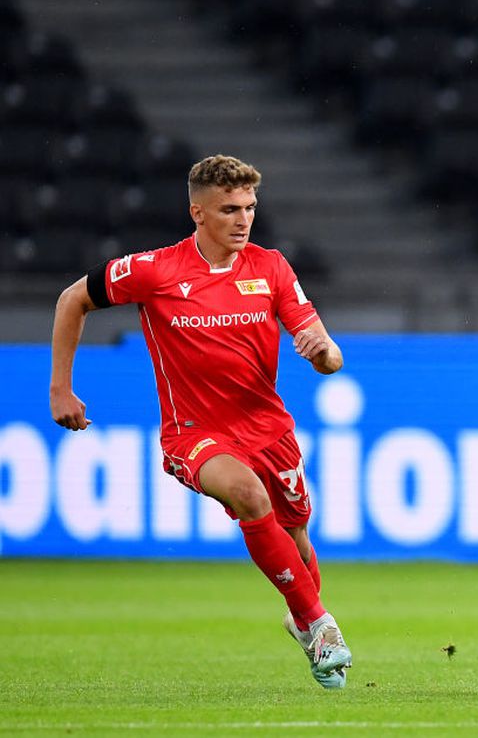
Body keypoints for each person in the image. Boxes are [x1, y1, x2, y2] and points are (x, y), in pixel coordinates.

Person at [49, 155, 353, 689]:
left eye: (250, 208)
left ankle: (303, 614)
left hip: (268, 427)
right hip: (193, 432)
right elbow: (72, 298)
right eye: (230, 209)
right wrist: (61, 387)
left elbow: (330, 355)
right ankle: (320, 624)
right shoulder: (153, 270)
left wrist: (320, 352)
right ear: (198, 213)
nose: (243, 220)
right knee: (249, 495)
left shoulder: (272, 267)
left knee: (298, 538)